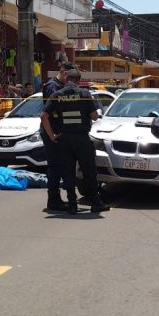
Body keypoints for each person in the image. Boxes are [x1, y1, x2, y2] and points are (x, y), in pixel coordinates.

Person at [39, 67, 109, 214]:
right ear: (79, 80)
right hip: (81, 139)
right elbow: (95, 116)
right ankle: (95, 202)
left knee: (68, 171)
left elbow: (43, 116)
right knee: (89, 170)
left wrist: (51, 135)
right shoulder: (84, 94)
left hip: (64, 139)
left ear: (66, 79)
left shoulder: (57, 94)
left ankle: (72, 204)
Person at [41, 66, 71, 208]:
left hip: (57, 130)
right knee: (54, 166)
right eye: (69, 77)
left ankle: (55, 198)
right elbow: (52, 110)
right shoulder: (52, 86)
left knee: (59, 165)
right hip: (51, 131)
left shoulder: (59, 85)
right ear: (65, 74)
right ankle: (53, 200)